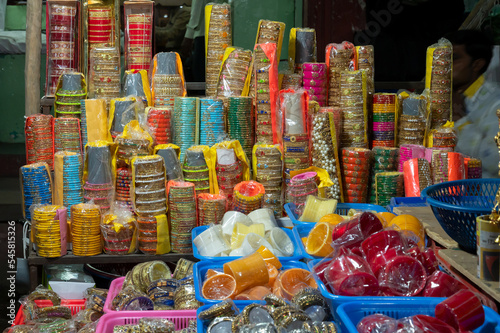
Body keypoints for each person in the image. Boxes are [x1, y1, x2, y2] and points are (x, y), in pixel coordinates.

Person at [446, 30, 500, 178]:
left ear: (477, 64)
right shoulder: (447, 96)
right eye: (444, 59)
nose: (446, 65)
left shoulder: (494, 103)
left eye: (454, 59)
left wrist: (460, 119)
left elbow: (494, 160)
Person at [180, 0, 208, 82]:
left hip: (201, 34)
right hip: (204, 33)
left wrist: (188, 36)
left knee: (199, 71)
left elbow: (196, 13)